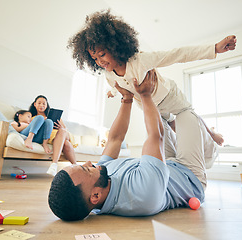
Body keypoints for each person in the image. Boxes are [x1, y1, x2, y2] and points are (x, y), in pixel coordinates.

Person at [48, 70, 216, 221]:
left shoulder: (100, 178)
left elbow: (115, 139)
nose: (88, 163)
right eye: (85, 169)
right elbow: (155, 136)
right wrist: (145, 95)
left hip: (167, 164)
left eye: (82, 165)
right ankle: (211, 152)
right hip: (188, 176)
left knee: (162, 114)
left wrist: (126, 100)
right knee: (185, 113)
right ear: (95, 196)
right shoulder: (141, 195)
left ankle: (187, 134)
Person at [68, 10, 231, 150]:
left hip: (169, 96)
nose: (100, 61)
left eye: (102, 54)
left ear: (114, 46)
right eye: (94, 58)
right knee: (171, 126)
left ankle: (211, 133)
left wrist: (214, 48)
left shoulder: (139, 60)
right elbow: (117, 86)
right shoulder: (108, 74)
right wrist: (111, 93)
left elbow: (176, 54)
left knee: (190, 117)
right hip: (150, 106)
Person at [29, 95, 76, 176]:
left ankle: (54, 163)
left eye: (44, 104)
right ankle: (76, 167)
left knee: (62, 131)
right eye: (39, 103)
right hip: (51, 137)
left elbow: (65, 129)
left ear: (47, 105)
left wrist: (61, 127)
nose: (41, 105)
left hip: (63, 133)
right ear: (34, 104)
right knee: (66, 144)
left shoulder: (54, 116)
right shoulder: (33, 117)